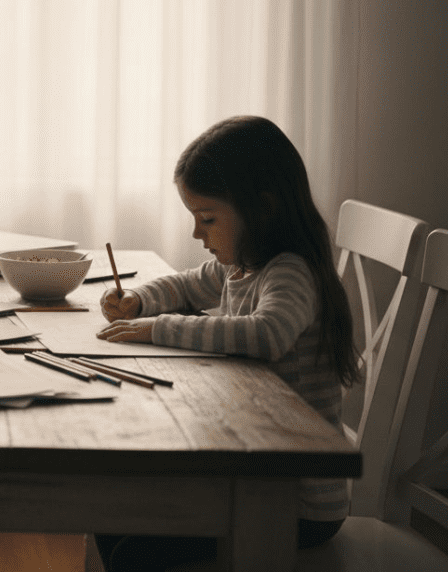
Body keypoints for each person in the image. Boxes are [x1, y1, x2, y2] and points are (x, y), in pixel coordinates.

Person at [92, 115, 358, 571]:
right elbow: (185, 285)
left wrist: (158, 328)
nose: (198, 235)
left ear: (263, 208)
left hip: (293, 501)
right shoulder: (242, 266)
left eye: (207, 219)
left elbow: (266, 334)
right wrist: (138, 301)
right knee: (111, 517)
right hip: (249, 469)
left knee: (134, 552)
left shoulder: (289, 270)